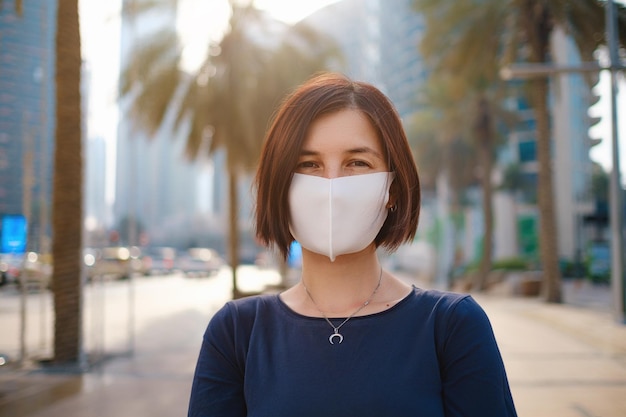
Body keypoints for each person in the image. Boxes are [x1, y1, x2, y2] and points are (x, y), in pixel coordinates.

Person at [188, 72, 518, 417]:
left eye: (357, 163)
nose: (332, 185)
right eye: (308, 164)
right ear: (280, 187)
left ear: (392, 188)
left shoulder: (452, 327)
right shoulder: (236, 333)